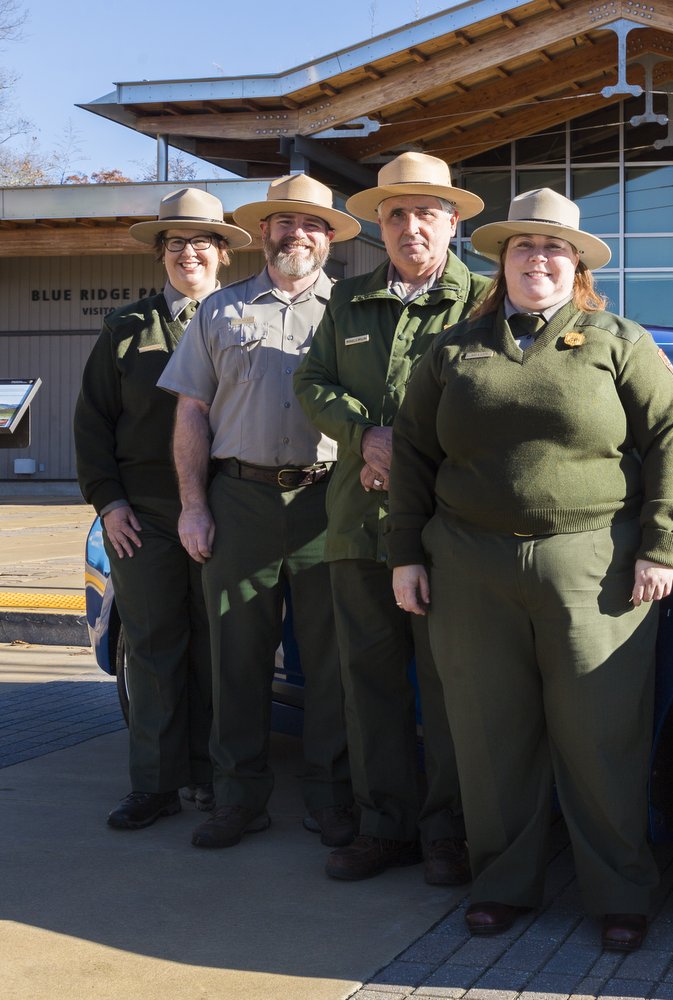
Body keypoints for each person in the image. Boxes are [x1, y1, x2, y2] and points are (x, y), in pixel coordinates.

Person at [386, 188, 673, 952]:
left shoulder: (616, 341)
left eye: (554, 248)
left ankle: (619, 892)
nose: (539, 259)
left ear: (576, 264)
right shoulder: (455, 350)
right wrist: (404, 554)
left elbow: (669, 440)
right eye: (524, 247)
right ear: (501, 261)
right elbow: (412, 458)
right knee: (490, 737)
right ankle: (503, 885)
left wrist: (660, 544)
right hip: (468, 562)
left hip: (592, 563)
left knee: (600, 734)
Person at [294, 152, 489, 885]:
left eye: (427, 213)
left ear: (453, 222)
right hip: (355, 520)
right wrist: (362, 435)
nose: (412, 227)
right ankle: (384, 828)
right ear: (379, 224)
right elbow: (310, 381)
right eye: (397, 213)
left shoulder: (483, 302)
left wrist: (408, 449)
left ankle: (448, 833)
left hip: (445, 527)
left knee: (445, 685)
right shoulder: (349, 301)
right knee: (367, 681)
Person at [158, 173, 361, 848]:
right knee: (236, 655)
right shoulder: (220, 311)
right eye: (284, 222)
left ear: (329, 236)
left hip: (328, 500)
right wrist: (193, 506)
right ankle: (237, 797)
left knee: (332, 660)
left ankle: (331, 796)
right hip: (239, 498)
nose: (296, 233)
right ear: (265, 231)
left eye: (311, 224)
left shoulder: (353, 313)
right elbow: (192, 410)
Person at [74, 188, 252, 831]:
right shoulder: (126, 330)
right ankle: (153, 784)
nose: (189, 253)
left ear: (224, 254)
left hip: (229, 508)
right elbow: (92, 424)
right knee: (152, 646)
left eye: (202, 242)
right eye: (176, 244)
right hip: (145, 514)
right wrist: (109, 502)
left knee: (216, 646)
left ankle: (208, 777)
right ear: (162, 256)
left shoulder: (247, 319)